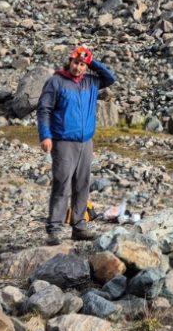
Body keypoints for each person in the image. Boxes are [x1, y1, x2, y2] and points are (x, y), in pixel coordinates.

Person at [37, 46, 116, 244]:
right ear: (69, 61)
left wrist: (92, 61)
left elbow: (110, 78)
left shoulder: (91, 82)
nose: (78, 67)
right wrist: (45, 136)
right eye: (75, 63)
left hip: (85, 142)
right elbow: (44, 109)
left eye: (82, 64)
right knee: (62, 183)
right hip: (63, 141)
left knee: (82, 184)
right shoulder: (56, 81)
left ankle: (78, 225)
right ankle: (54, 229)